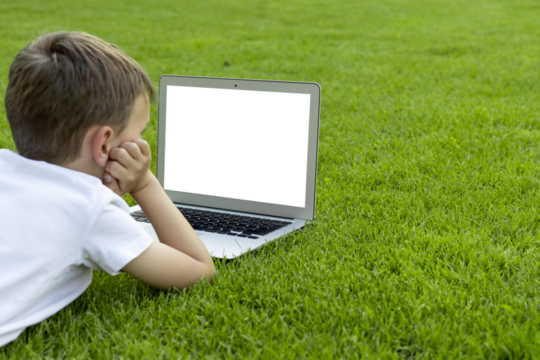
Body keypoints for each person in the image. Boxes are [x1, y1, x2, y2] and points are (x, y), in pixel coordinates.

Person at [0, 31, 215, 347]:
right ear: (104, 143)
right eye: (138, 133)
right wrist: (144, 183)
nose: (141, 144)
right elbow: (199, 270)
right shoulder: (90, 209)